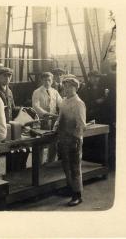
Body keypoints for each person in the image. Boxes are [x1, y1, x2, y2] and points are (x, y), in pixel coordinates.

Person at [53, 76, 86, 206]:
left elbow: (82, 125)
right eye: (64, 86)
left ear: (75, 88)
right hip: (63, 139)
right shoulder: (64, 101)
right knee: (66, 166)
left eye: (68, 87)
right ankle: (70, 188)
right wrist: (55, 126)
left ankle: (77, 195)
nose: (65, 89)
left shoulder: (79, 103)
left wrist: (75, 139)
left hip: (74, 140)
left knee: (75, 168)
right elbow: (59, 117)